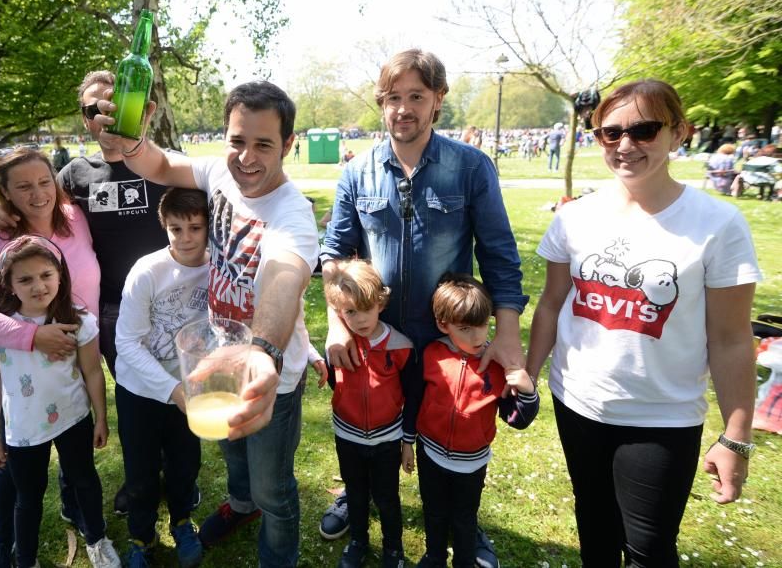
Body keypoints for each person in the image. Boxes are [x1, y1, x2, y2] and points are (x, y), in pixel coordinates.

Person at [526, 79, 761, 567]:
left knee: (649, 549)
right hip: (578, 402)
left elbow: (732, 339)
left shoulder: (718, 225)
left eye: (644, 130)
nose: (625, 145)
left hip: (662, 417)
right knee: (593, 524)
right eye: (610, 133)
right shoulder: (575, 218)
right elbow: (551, 303)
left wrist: (736, 435)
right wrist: (527, 373)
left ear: (678, 133)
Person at [97, 80, 319, 568]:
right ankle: (240, 507)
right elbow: (157, 164)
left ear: (288, 145)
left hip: (270, 376)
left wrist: (263, 350)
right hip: (221, 354)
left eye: (264, 144)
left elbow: (286, 274)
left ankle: (277, 557)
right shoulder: (219, 174)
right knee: (233, 453)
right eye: (238, 140)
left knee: (272, 485)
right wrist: (129, 142)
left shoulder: (292, 214)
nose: (247, 157)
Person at [319, 49, 527, 567]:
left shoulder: (472, 167)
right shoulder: (357, 172)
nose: (403, 109)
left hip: (445, 337)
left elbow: (500, 254)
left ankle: (464, 519)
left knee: (448, 425)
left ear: (438, 100)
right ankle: (355, 494)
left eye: (417, 96)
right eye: (394, 98)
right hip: (375, 334)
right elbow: (334, 253)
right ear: (381, 103)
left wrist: (507, 334)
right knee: (368, 424)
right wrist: (337, 325)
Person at [0, 71, 174, 517]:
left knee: (161, 399)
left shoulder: (164, 165)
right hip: (100, 313)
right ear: (84, 120)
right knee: (112, 396)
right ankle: (113, 485)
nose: (103, 115)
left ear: (138, 110)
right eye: (92, 109)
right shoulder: (74, 175)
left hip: (164, 308)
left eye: (112, 105)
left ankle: (167, 475)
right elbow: (37, 205)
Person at [0, 146, 102, 567]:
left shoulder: (73, 217)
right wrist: (32, 336)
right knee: (18, 468)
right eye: (23, 186)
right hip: (24, 364)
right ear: (4, 191)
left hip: (77, 353)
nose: (38, 194)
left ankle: (77, 511)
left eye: (43, 182)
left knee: (75, 445)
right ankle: (4, 544)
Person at [0, 236, 120, 568]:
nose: (38, 286)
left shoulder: (78, 319)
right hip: (23, 430)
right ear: (9, 284)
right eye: (25, 279)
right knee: (28, 498)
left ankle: (97, 540)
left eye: (46, 275)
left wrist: (100, 417)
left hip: (73, 418)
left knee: (84, 480)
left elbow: (92, 372)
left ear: (60, 274)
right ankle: (25, 559)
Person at [406, 273, 539, 568]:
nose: (477, 337)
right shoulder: (431, 355)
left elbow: (517, 420)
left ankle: (465, 561)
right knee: (434, 511)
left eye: (482, 325)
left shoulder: (496, 365)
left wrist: (527, 392)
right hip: (430, 456)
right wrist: (407, 442)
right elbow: (414, 401)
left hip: (472, 463)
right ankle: (434, 556)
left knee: (464, 518)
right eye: (465, 328)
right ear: (443, 324)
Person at [114, 187, 210, 568]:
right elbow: (126, 342)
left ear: (208, 228)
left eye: (195, 228)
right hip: (140, 390)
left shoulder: (218, 265)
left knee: (186, 460)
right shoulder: (147, 272)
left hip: (191, 386)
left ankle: (183, 520)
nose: (185, 238)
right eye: (175, 229)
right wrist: (171, 390)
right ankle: (141, 536)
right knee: (140, 470)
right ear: (164, 227)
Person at [322, 260, 412, 568]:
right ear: (339, 311)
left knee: (387, 498)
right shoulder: (339, 346)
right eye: (349, 312)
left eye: (365, 308)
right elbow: (336, 382)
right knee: (357, 494)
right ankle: (358, 541)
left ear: (380, 303)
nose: (359, 319)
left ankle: (393, 549)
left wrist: (408, 440)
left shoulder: (400, 346)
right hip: (347, 436)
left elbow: (411, 394)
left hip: (387, 438)